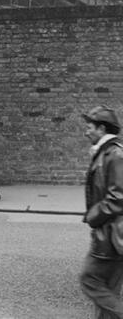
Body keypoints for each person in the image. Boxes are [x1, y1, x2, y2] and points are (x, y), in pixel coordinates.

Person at [80, 105, 123, 318]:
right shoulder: (106, 152)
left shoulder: (114, 154)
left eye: (90, 127)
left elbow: (118, 197)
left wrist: (93, 216)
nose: (86, 131)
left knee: (90, 279)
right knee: (109, 289)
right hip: (112, 234)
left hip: (111, 235)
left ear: (102, 128)